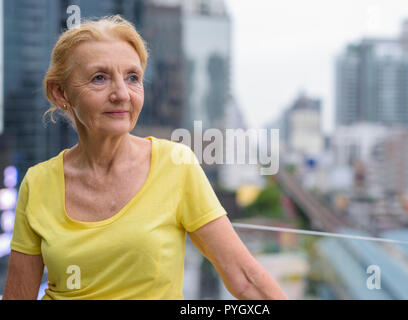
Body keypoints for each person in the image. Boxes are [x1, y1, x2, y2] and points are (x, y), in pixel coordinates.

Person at [2, 15, 288, 300]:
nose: (122, 94)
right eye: (99, 78)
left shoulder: (176, 164)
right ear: (60, 92)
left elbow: (246, 279)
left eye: (132, 78)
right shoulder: (38, 182)